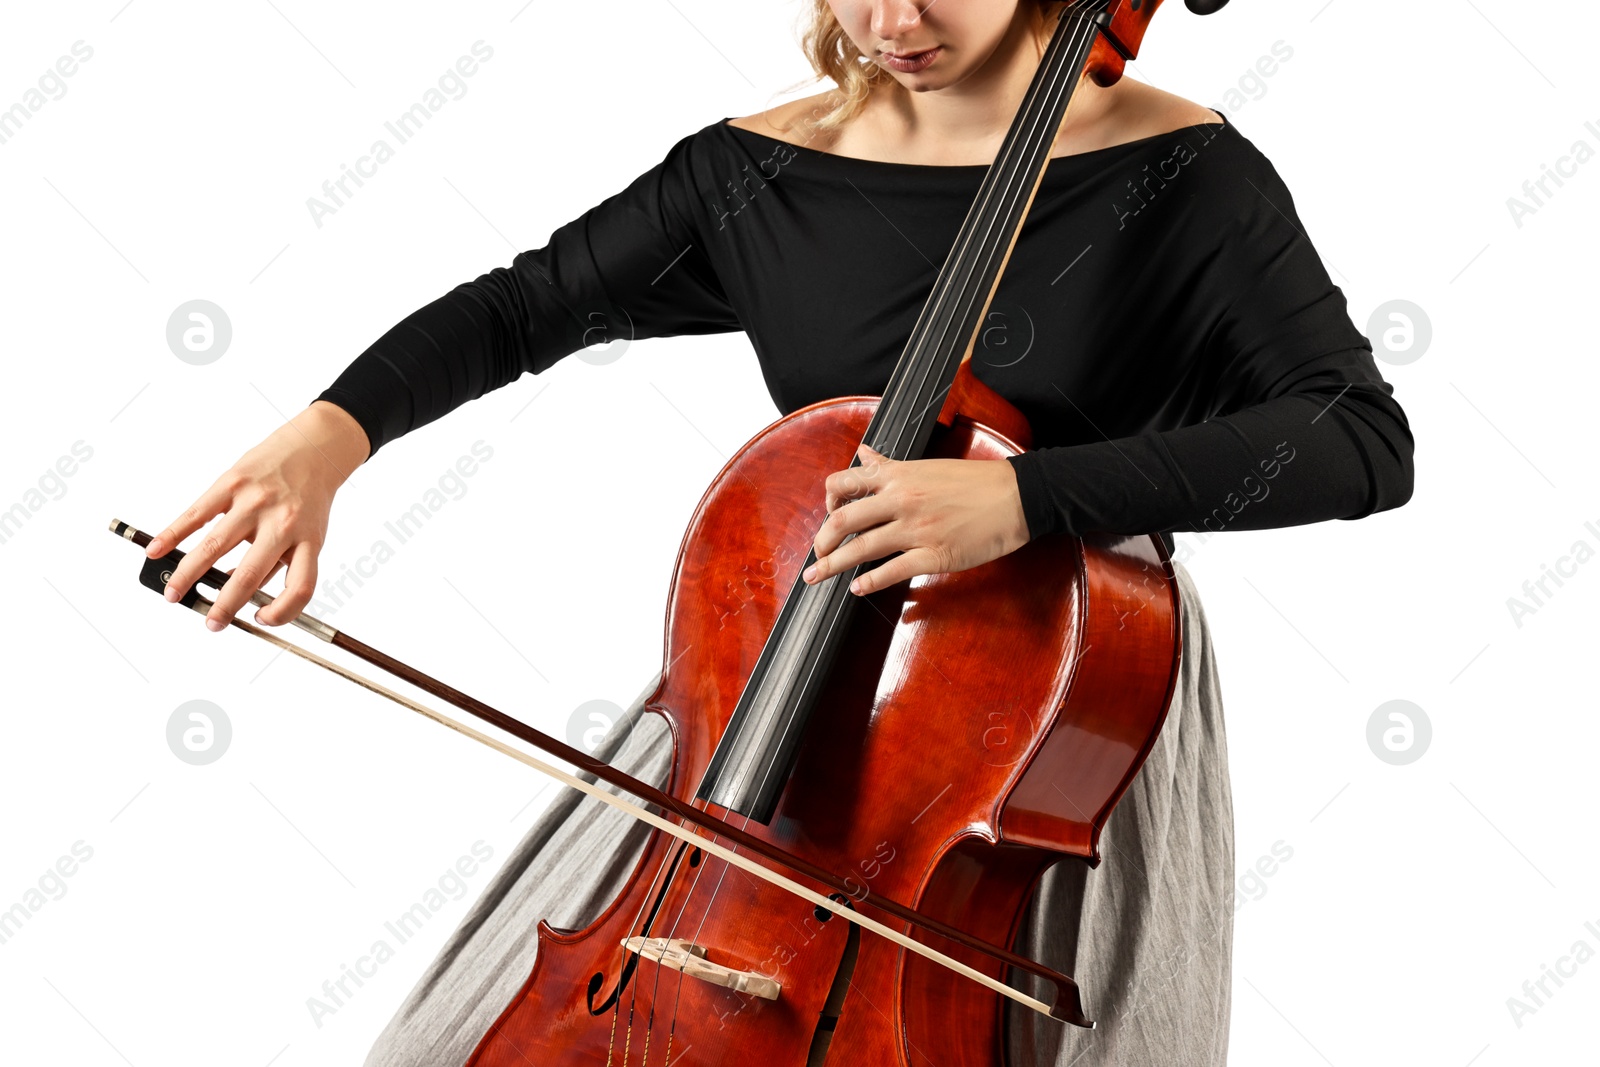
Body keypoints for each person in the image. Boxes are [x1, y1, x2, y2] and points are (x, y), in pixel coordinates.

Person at [148, 1, 1414, 1063]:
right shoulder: (759, 169)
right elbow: (522, 308)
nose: (887, 22)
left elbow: (1359, 437)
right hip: (761, 692)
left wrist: (1030, 496)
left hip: (1051, 726)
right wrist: (326, 439)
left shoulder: (1185, 175)